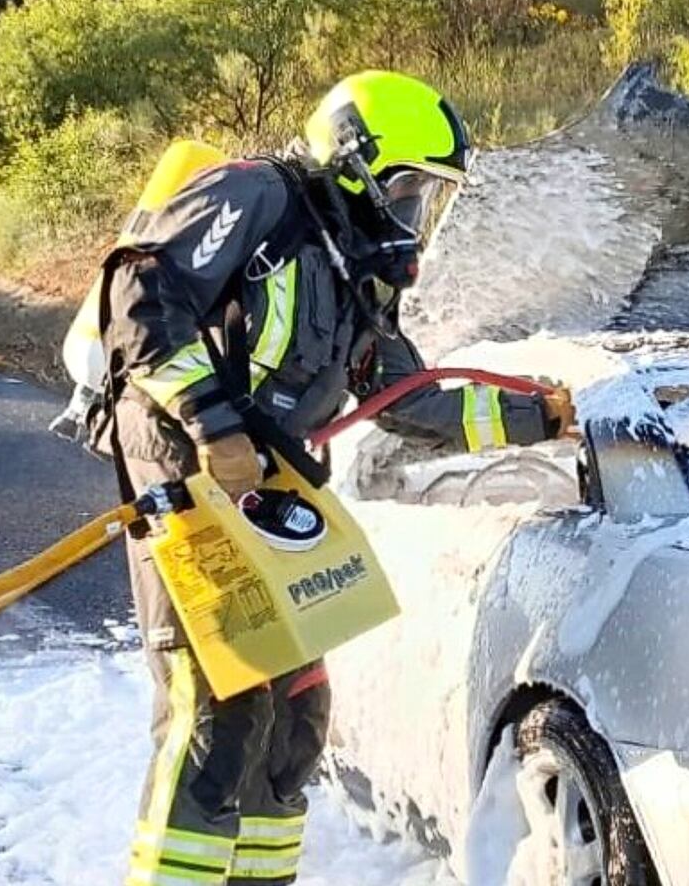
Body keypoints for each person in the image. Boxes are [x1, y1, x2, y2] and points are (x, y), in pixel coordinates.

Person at [101, 71, 576, 885]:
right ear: (356, 160)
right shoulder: (256, 197)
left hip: (266, 487)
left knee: (293, 721)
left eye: (433, 197)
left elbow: (408, 400)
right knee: (219, 707)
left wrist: (542, 422)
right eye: (410, 188)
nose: (417, 214)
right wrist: (212, 423)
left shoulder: (359, 264)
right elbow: (139, 295)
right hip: (187, 477)